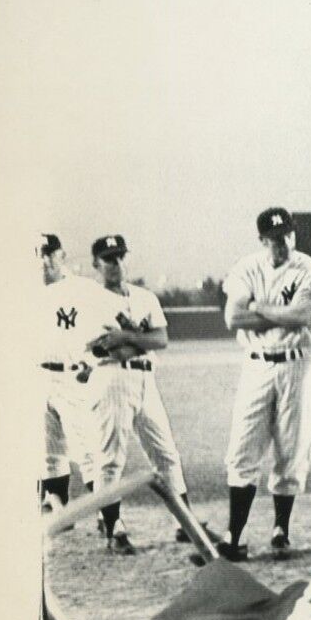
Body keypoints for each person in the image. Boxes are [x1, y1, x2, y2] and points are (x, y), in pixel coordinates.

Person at [215, 207, 311, 562]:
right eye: (275, 238)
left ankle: (281, 529)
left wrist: (259, 308)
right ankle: (235, 536)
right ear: (263, 240)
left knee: (291, 450)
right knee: (242, 449)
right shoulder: (247, 267)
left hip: (299, 366)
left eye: (288, 235)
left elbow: (302, 316)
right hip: (259, 365)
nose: (283, 243)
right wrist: (278, 315)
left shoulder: (307, 267)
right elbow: (234, 317)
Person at [84, 234, 204, 555]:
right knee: (110, 459)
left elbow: (162, 339)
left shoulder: (144, 296)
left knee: (166, 454)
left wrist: (125, 334)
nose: (116, 263)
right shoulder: (91, 300)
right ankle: (114, 529)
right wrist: (139, 337)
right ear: (96, 264)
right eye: (109, 258)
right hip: (112, 378)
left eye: (120, 256)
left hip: (145, 380)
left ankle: (186, 523)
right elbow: (110, 349)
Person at [37, 234, 112, 516]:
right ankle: (61, 514)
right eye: (36, 253)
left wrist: (93, 361)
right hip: (39, 378)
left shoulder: (82, 289)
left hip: (74, 377)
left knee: (89, 451)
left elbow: (110, 327)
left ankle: (111, 520)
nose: (43, 260)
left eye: (48, 253)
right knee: (49, 454)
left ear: (61, 255)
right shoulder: (23, 291)